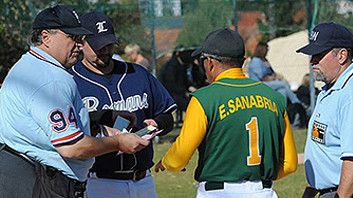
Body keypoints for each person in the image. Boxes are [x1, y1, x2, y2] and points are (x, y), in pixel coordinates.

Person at [0, 5, 149, 198]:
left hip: (19, 175)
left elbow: (43, 125)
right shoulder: (51, 78)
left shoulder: (28, 64)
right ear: (46, 37)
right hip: (42, 181)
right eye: (73, 37)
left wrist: (99, 121)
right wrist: (118, 142)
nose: (79, 44)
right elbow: (72, 147)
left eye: (80, 38)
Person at [155, 28, 298, 198]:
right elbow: (289, 164)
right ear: (243, 62)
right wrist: (255, 182)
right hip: (263, 191)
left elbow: (178, 159)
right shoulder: (274, 98)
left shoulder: (204, 98)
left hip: (218, 192)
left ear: (210, 62)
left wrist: (166, 162)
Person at [68, 11, 177, 198]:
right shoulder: (70, 80)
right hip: (98, 182)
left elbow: (167, 115)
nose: (105, 50)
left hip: (144, 181)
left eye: (109, 45)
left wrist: (158, 125)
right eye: (98, 46)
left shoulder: (137, 73)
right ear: (81, 43)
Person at [297, 22, 353, 198]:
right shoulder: (331, 88)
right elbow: (324, 150)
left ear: (342, 55)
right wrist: (310, 191)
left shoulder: (349, 94)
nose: (312, 61)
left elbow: (351, 161)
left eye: (319, 55)